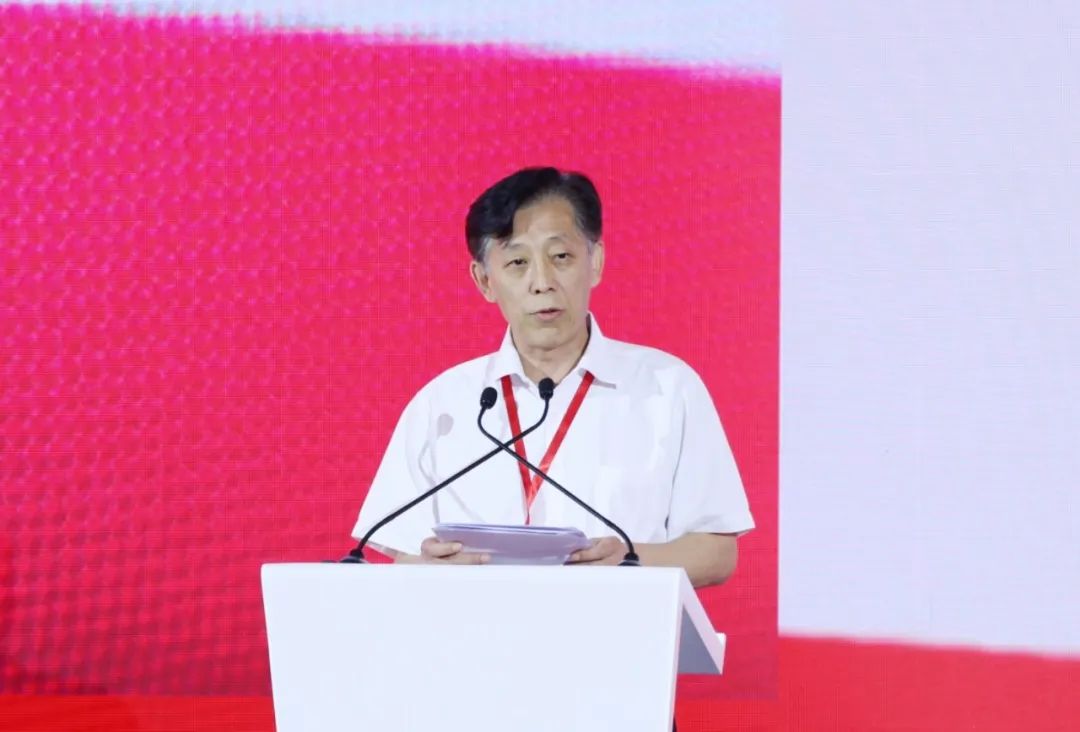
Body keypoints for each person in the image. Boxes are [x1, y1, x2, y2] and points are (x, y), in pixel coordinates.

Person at [351, 167, 753, 588]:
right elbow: (401, 552)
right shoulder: (443, 405)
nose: (542, 283)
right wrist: (426, 568)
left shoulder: (667, 388)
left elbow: (717, 552)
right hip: (476, 626)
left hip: (615, 626)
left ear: (595, 262)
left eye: (560, 257)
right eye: (517, 263)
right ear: (485, 280)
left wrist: (630, 559)